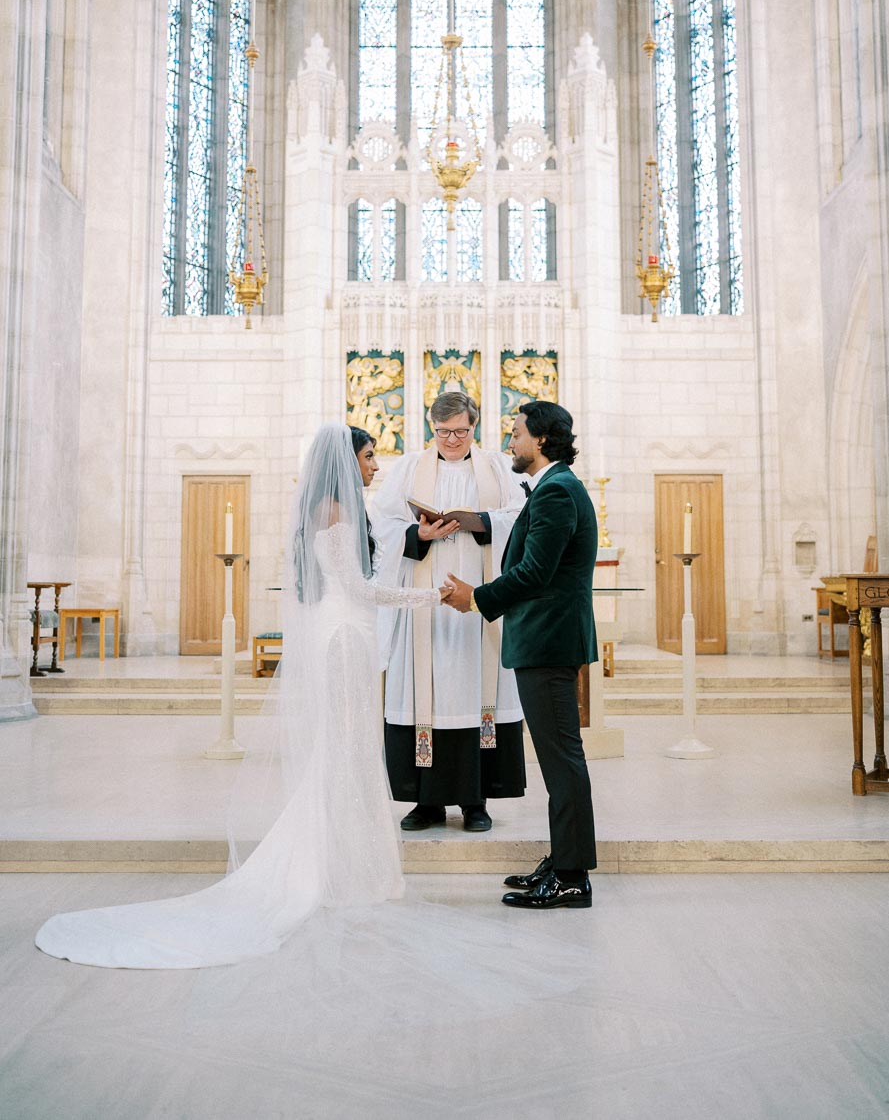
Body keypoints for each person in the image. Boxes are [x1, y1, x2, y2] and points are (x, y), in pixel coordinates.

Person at [34, 423, 439, 968]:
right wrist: (432, 595)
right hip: (345, 638)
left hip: (340, 634)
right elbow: (362, 590)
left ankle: (338, 865)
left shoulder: (323, 513)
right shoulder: (339, 515)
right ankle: (334, 869)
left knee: (343, 751)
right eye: (368, 458)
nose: (374, 467)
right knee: (345, 752)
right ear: (346, 463)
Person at [441, 401, 598, 909]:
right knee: (558, 760)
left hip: (548, 641)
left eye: (517, 433)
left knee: (562, 760)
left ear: (543, 440)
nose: (510, 441)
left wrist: (477, 598)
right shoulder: (554, 488)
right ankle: (562, 860)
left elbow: (535, 573)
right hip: (543, 639)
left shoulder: (556, 492)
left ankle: (572, 875)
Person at [371, 391, 525, 833]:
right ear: (430, 428)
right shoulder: (407, 469)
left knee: (478, 694)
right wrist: (416, 533)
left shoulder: (497, 467)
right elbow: (381, 525)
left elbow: (521, 516)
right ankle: (426, 803)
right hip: (423, 609)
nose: (453, 440)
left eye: (461, 431)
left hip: (479, 607)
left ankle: (475, 801)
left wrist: (483, 523)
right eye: (443, 432)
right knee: (424, 698)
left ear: (474, 426)